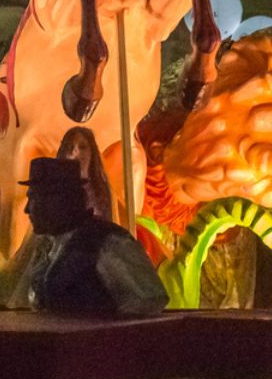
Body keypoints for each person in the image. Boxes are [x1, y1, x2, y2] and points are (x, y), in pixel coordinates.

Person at [22, 157, 167, 317]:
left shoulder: (108, 242)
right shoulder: (46, 247)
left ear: (58, 200)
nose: (27, 209)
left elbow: (149, 301)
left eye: (34, 198)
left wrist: (97, 325)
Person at [57, 127, 115, 222]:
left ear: (92, 153)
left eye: (82, 147)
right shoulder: (54, 190)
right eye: (70, 147)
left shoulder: (103, 190)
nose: (75, 152)